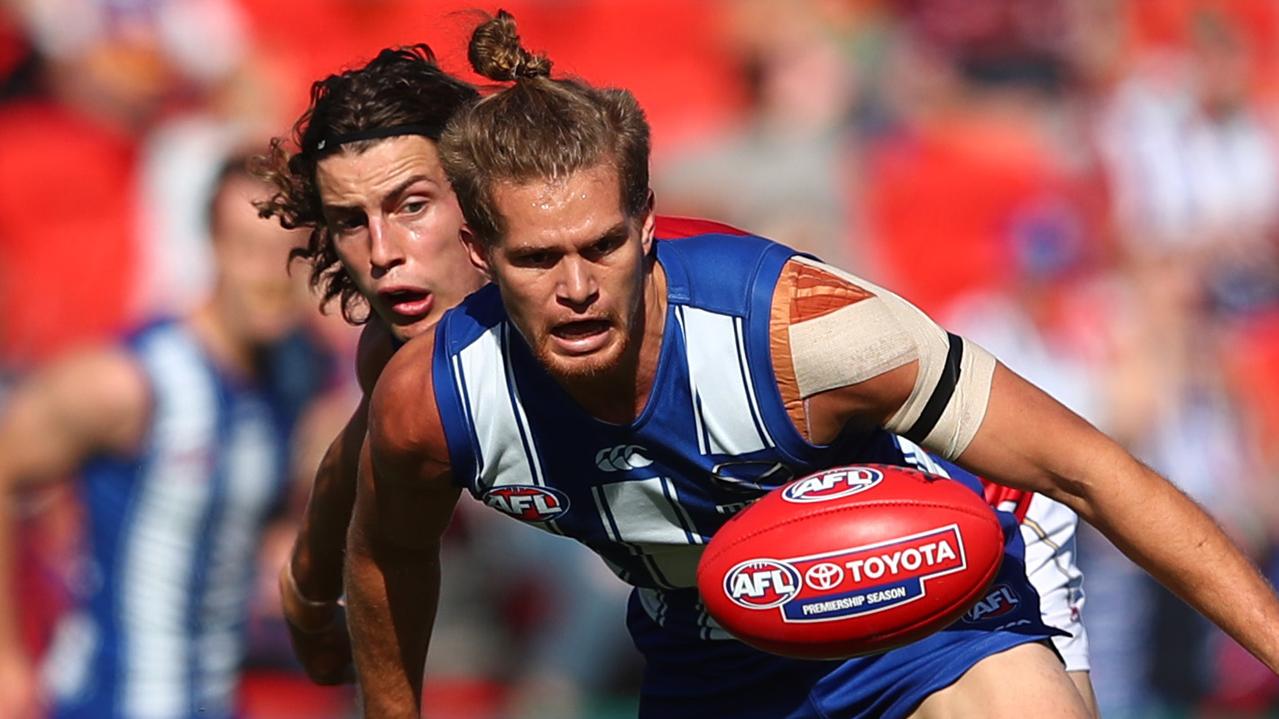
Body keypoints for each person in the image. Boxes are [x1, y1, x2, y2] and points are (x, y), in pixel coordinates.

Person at [343, 11, 1279, 719]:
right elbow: (384, 552)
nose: (578, 286)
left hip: (933, 601)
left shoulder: (803, 332)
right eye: (538, 259)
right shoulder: (438, 399)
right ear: (477, 251)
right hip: (704, 653)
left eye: (603, 246)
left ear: (646, 223)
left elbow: (1091, 470)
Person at [0, 155, 331, 719]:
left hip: (215, 699)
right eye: (250, 248)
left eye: (290, 254)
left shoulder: (295, 375)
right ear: (213, 247)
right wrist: (6, 661)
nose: (272, 275)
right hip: (107, 702)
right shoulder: (132, 383)